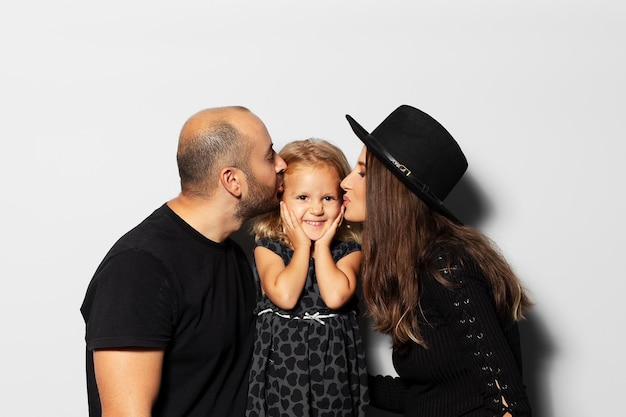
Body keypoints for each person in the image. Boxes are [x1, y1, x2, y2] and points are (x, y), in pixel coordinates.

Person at [80, 106, 287, 417]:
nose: (282, 164)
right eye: (269, 156)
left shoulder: (235, 253)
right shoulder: (139, 269)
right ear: (232, 180)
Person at [340, 105, 533, 417]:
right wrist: (341, 380)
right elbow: (430, 397)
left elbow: (506, 399)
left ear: (391, 189)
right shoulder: (409, 266)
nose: (346, 182)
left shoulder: (446, 265)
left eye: (362, 172)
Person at [246, 138, 369, 417]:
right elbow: (286, 297)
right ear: (281, 199)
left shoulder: (348, 252)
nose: (316, 210)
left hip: (333, 375)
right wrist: (302, 247)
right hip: (282, 375)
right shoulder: (268, 249)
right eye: (302, 198)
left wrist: (322, 247)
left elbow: (335, 296)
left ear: (342, 202)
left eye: (328, 198)